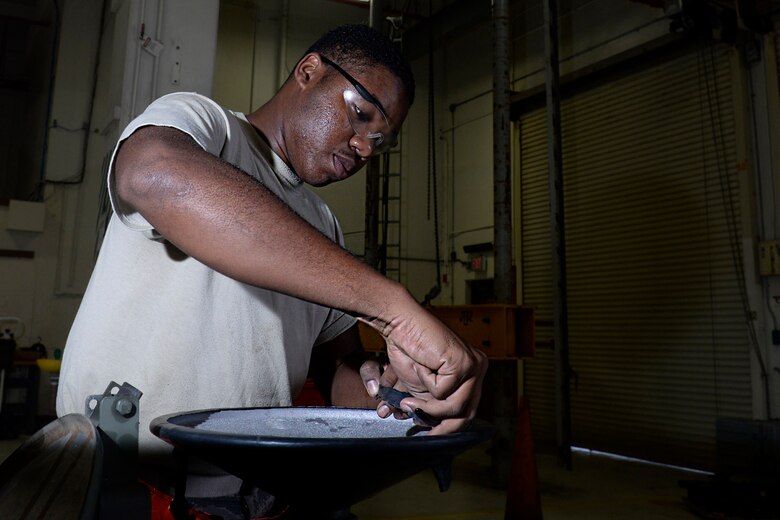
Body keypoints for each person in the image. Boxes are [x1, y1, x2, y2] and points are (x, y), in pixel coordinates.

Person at [56, 23, 487, 516]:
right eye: (360, 114)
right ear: (309, 71)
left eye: (380, 139)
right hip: (127, 482)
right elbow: (151, 173)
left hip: (253, 491)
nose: (365, 147)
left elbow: (337, 370)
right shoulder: (206, 126)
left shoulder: (322, 226)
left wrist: (395, 391)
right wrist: (394, 309)